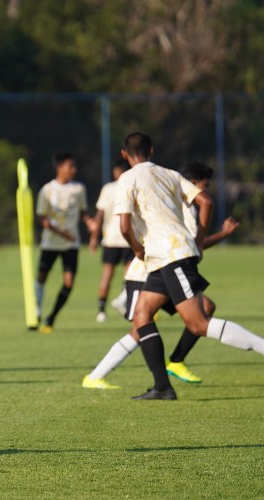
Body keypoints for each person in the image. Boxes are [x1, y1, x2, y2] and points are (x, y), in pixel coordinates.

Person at [113, 132, 264, 400]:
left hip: (170, 254)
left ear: (125, 155)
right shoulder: (170, 173)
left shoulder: (127, 179)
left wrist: (137, 249)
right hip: (163, 257)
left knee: (197, 324)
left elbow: (124, 226)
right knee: (142, 315)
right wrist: (199, 239)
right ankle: (162, 388)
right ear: (152, 149)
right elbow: (205, 200)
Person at [83, 161, 240, 389]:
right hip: (144, 273)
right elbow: (195, 245)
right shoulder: (185, 207)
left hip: (161, 268)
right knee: (140, 329)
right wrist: (223, 234)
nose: (205, 191)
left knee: (204, 309)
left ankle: (174, 363)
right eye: (204, 186)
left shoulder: (174, 201)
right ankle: (96, 376)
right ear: (193, 184)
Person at [34, 152, 96, 333]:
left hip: (71, 245)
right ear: (59, 167)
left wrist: (89, 222)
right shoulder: (47, 190)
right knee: (41, 278)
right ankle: (36, 310)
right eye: (70, 166)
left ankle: (51, 317)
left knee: (69, 282)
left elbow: (83, 211)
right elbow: (42, 219)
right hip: (50, 243)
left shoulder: (78, 189)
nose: (73, 170)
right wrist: (62, 233)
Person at [89, 159, 133, 322]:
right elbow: (100, 215)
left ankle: (102, 310)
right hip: (124, 238)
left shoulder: (109, 188)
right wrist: (94, 236)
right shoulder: (128, 187)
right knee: (127, 275)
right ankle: (122, 304)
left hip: (116, 239)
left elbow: (99, 214)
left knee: (110, 275)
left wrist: (94, 237)